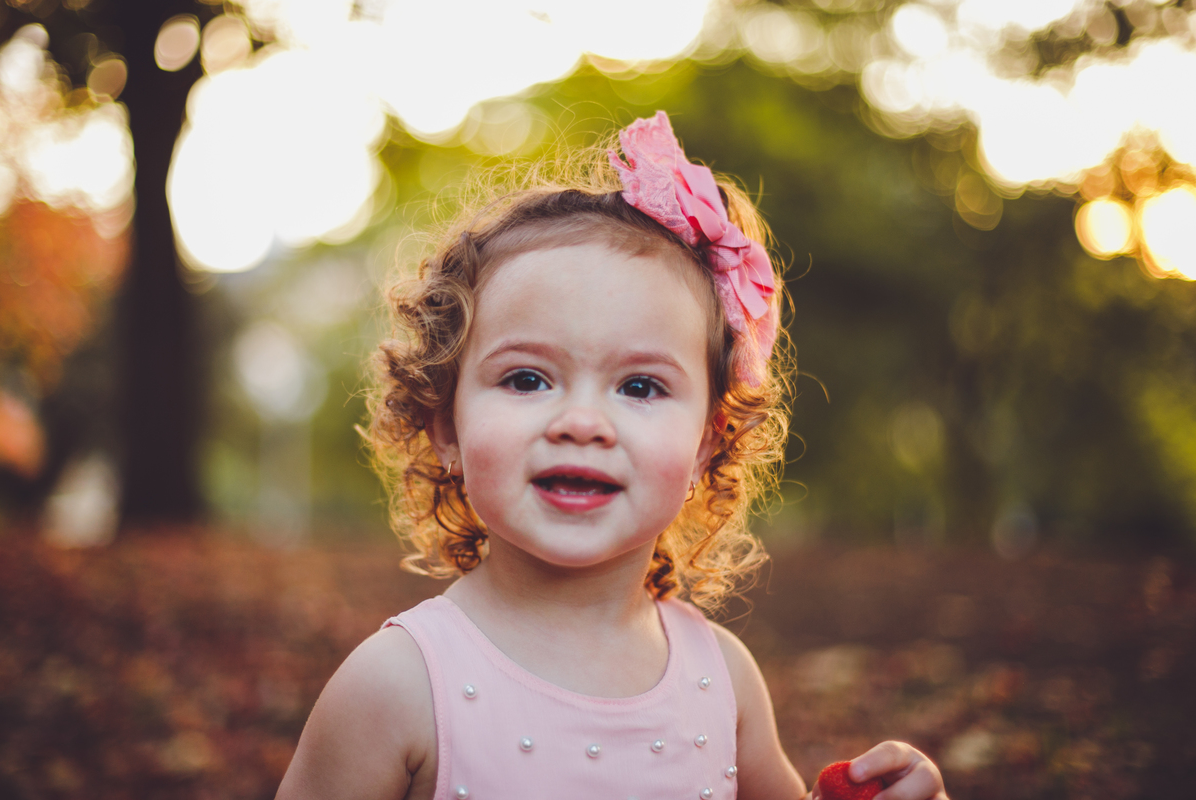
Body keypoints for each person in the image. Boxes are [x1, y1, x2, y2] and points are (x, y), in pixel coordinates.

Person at [276, 111, 948, 800]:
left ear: (705, 446)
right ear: (444, 423)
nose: (582, 422)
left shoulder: (723, 679)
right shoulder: (397, 685)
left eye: (640, 386)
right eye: (527, 379)